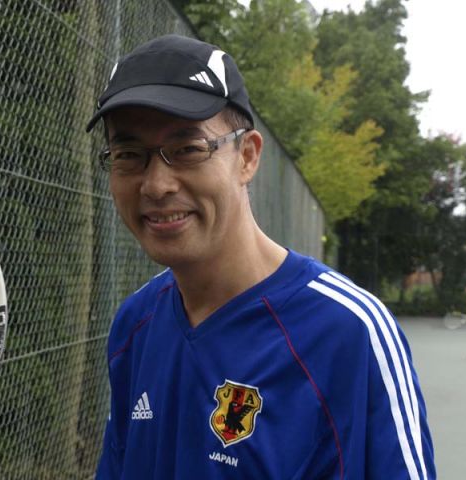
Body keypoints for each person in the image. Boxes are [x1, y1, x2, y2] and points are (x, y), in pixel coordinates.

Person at [86, 34, 435, 479]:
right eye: (128, 155)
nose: (156, 185)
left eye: (188, 149)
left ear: (247, 157)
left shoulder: (348, 333)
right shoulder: (135, 324)